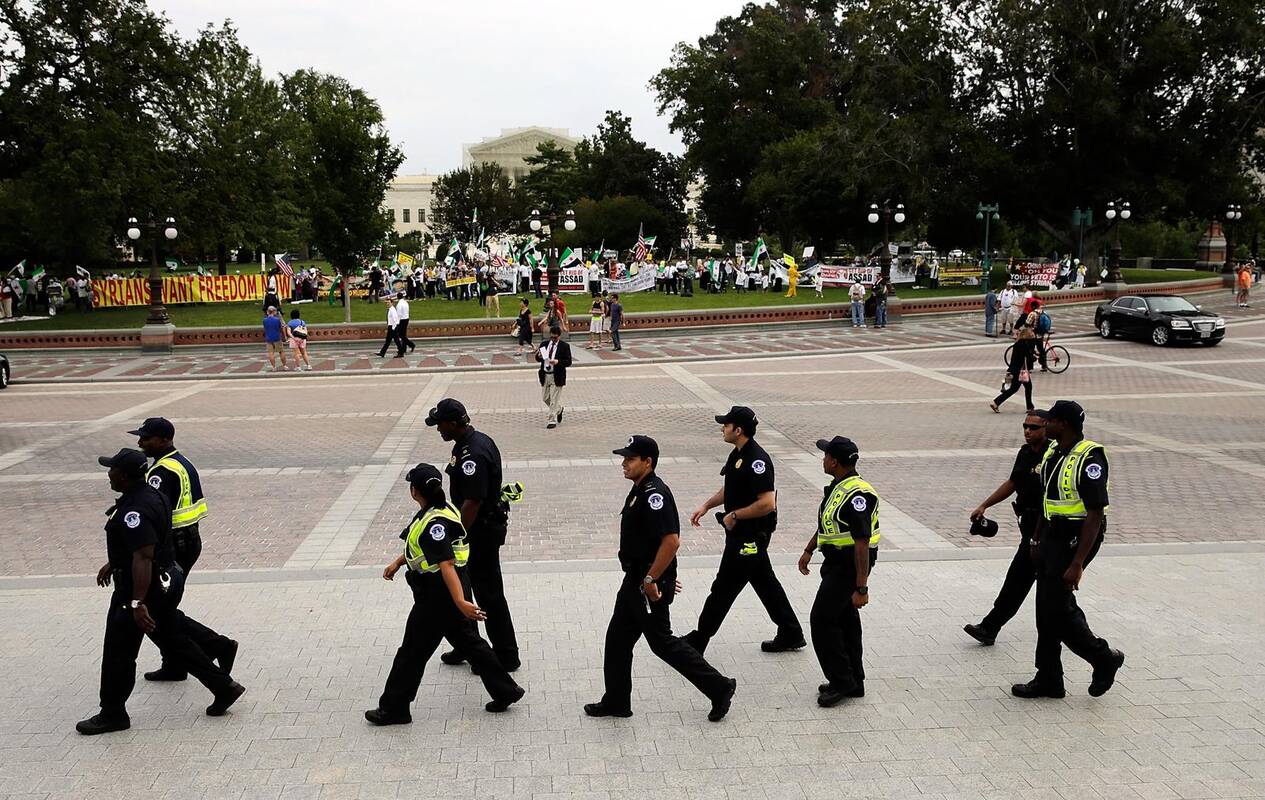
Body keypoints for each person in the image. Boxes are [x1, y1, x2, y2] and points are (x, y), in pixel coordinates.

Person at [77, 449, 244, 735]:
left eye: (112, 470)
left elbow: (143, 556)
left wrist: (136, 602)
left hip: (141, 588)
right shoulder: (151, 495)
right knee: (172, 638)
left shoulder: (134, 510)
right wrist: (115, 562)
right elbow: (144, 544)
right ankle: (223, 684)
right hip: (163, 579)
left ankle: (113, 713)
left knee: (119, 650)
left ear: (125, 476)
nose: (108, 474)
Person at [584, 435, 738, 721]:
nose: (624, 463)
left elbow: (671, 541)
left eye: (630, 459)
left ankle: (719, 687)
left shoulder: (655, 495)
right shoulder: (640, 489)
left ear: (648, 462)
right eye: (624, 458)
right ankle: (616, 701)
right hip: (636, 579)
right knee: (617, 640)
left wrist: (654, 579)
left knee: (662, 643)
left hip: (646, 584)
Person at [365, 463, 524, 725]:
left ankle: (394, 709)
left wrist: (460, 601)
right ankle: (506, 690)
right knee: (469, 643)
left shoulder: (433, 522)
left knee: (412, 651)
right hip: (446, 589)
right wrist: (398, 562)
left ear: (414, 491)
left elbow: (446, 563)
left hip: (437, 593)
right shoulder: (442, 509)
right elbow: (422, 548)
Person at [1012, 400, 1124, 700]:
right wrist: (1036, 539)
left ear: (1064, 423)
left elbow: (1094, 514)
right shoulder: (1053, 452)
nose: (1044, 424)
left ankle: (1103, 657)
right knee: (1045, 608)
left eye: (1050, 420)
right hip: (1051, 534)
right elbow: (1046, 501)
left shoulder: (1090, 458)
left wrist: (1077, 563)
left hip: (1077, 537)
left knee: (1057, 609)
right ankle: (1049, 678)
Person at [684, 406, 805, 655]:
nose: (722, 428)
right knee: (765, 582)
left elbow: (767, 503)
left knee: (724, 587)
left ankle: (699, 639)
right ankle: (791, 632)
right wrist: (706, 505)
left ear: (738, 430)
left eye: (726, 425)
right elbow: (731, 488)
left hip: (750, 536)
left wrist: (735, 515)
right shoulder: (738, 454)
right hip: (742, 534)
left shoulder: (757, 460)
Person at [129, 417, 237, 683]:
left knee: (158, 610)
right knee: (164, 608)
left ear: (165, 440)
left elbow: (155, 511)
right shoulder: (181, 462)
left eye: (146, 438)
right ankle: (175, 664)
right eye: (140, 437)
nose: (141, 442)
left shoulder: (161, 472)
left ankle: (218, 645)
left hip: (173, 546)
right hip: (188, 540)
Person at [427, 399, 522, 672]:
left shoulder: (474, 453)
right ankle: (468, 646)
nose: (438, 429)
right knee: (462, 589)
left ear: (453, 423)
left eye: (440, 424)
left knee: (489, 594)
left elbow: (472, 502)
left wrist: (457, 537)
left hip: (480, 533)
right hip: (475, 530)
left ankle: (506, 655)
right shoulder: (468, 443)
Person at [798, 436, 878, 707]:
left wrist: (861, 587)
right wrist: (809, 549)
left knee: (821, 620)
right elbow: (828, 524)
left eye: (825, 455)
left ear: (834, 461)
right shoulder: (839, 487)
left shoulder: (857, 495)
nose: (822, 459)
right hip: (836, 563)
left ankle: (841, 681)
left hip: (849, 566)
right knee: (845, 621)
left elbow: (862, 542)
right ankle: (853, 681)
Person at [964, 410, 1048, 645]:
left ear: (1047, 428)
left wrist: (1036, 538)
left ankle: (990, 627)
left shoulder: (1052, 455)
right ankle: (989, 627)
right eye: (1025, 426)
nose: (1027, 431)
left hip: (1045, 530)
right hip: (1029, 527)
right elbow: (1013, 482)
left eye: (1034, 427)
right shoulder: (1025, 452)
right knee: (1020, 579)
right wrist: (985, 505)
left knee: (1032, 582)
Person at [992, 301, 1038, 414]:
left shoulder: (1018, 343)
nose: (1032, 335)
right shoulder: (1025, 344)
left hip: (1015, 368)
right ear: (1027, 336)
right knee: (1017, 388)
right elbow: (1028, 357)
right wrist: (1034, 357)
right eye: (1031, 334)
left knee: (1021, 387)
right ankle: (997, 402)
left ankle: (1029, 406)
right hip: (1020, 370)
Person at [536, 326, 572, 429]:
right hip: (545, 375)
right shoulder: (544, 344)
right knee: (545, 398)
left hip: (557, 375)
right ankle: (559, 409)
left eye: (555, 337)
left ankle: (551, 420)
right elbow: (539, 359)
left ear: (559, 336)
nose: (553, 339)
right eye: (551, 337)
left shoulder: (564, 346)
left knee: (554, 399)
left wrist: (558, 362)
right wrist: (538, 356)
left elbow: (568, 361)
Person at [262, 306, 288, 371]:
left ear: (267, 312)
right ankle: (284, 366)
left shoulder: (264, 320)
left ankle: (273, 367)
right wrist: (284, 336)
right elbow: (281, 328)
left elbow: (265, 328)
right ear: (274, 312)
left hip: (268, 338)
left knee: (271, 353)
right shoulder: (277, 320)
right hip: (277, 337)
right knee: (281, 352)